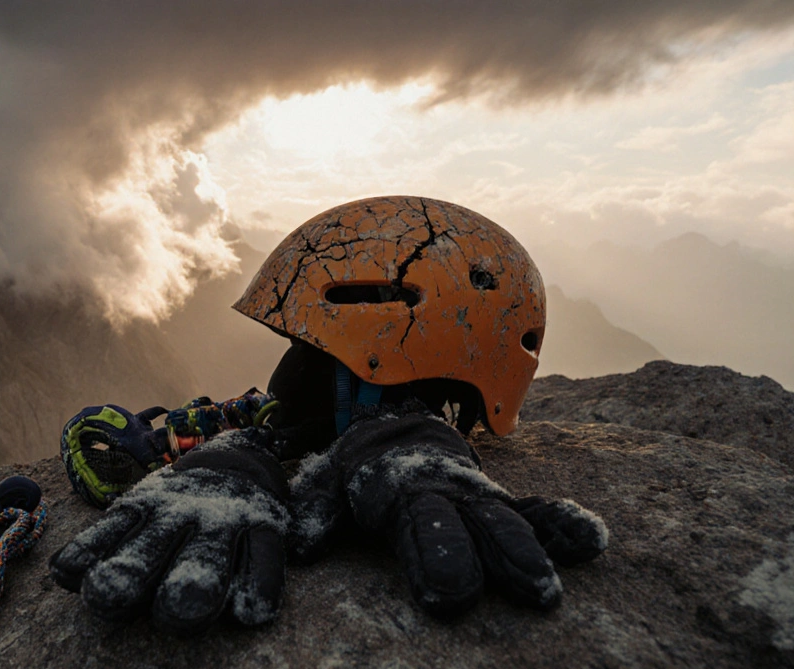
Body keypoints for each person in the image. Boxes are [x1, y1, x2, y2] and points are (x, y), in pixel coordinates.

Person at [50, 196, 608, 635]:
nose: (294, 377)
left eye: (322, 356)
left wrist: (408, 439)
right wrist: (240, 456)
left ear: (397, 361)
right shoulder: (282, 421)